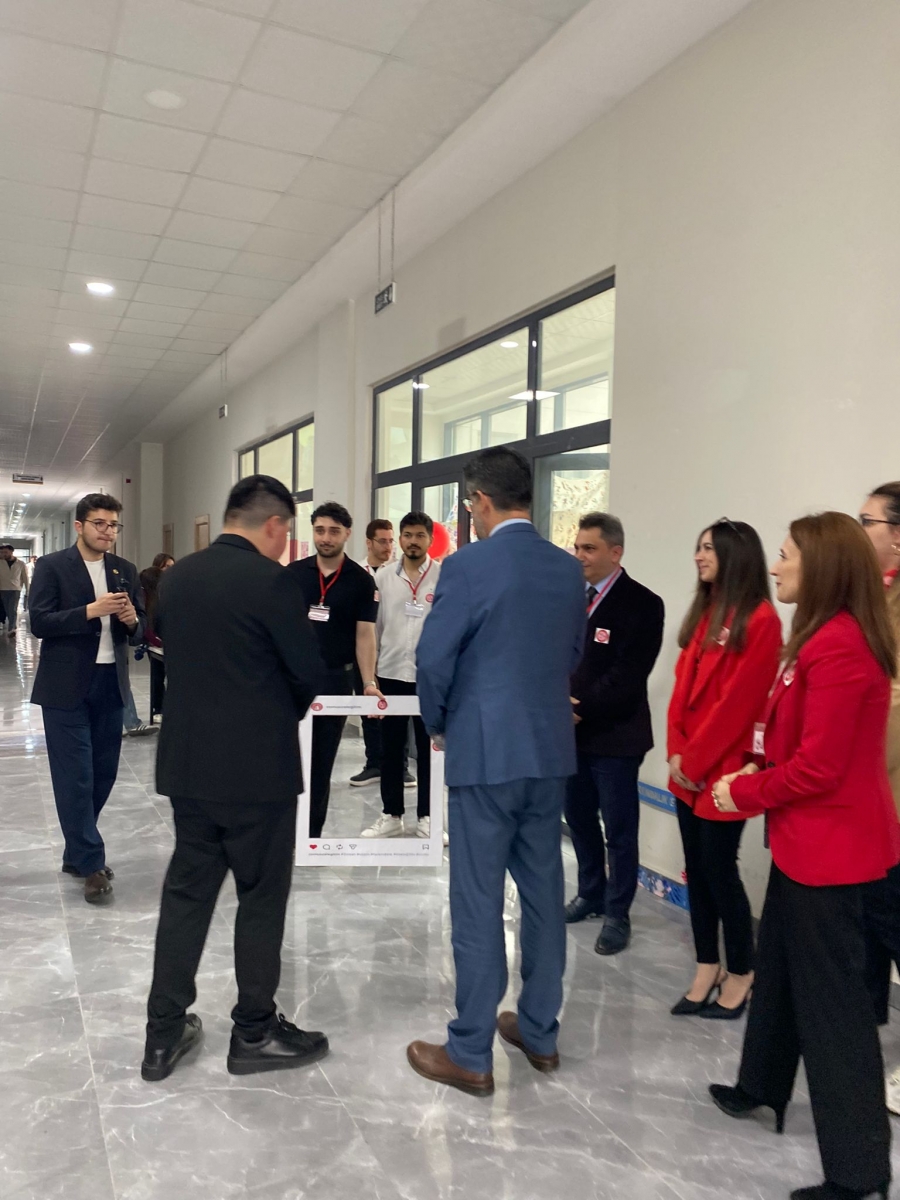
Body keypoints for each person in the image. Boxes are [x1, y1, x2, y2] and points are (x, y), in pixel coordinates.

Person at [708, 512, 899, 1200]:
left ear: (819, 568)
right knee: (782, 971)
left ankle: (859, 1172)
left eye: (785, 555)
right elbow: (789, 738)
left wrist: (743, 792)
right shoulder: (815, 637)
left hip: (833, 851)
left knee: (836, 1011)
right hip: (802, 844)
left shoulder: (841, 647)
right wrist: (755, 769)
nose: (776, 566)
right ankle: (761, 1085)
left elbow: (820, 768)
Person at [408, 446, 584, 1096]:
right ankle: (539, 1031)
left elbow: (433, 659)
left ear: (480, 501)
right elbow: (571, 653)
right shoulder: (567, 568)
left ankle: (470, 1051)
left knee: (478, 900)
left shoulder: (468, 565)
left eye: (469, 505)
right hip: (548, 752)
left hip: (484, 753)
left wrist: (438, 723)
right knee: (542, 895)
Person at [144, 476, 327, 1083]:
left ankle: (162, 1035)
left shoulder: (177, 578)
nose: (285, 544)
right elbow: (307, 673)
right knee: (261, 898)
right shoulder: (273, 582)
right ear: (273, 525)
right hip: (258, 775)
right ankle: (253, 1032)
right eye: (287, 532)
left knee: (186, 897)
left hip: (189, 767)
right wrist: (269, 715)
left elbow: (175, 653)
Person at [666, 518, 782, 1019]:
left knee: (719, 871)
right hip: (686, 770)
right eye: (699, 547)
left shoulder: (761, 620)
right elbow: (681, 691)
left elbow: (739, 704)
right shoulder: (707, 611)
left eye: (709, 548)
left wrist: (693, 761)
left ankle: (742, 970)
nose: (699, 556)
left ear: (736, 555)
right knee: (697, 870)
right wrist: (676, 753)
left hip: (724, 771)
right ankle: (706, 964)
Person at [29, 494, 145, 903]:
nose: (108, 531)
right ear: (79, 526)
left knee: (102, 773)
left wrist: (133, 621)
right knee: (74, 776)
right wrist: (89, 611)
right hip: (65, 687)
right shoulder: (52, 566)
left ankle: (77, 853)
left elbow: (140, 628)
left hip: (110, 685)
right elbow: (39, 622)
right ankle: (92, 863)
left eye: (113, 525)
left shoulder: (124, 570)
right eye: (100, 523)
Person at [565, 513, 665, 955]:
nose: (580, 556)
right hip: (569, 735)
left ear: (615, 552)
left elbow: (629, 674)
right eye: (577, 547)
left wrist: (579, 709)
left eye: (589, 548)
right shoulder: (570, 598)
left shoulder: (643, 603)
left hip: (616, 738)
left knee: (619, 830)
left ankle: (618, 913)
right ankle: (591, 892)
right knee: (579, 818)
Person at [287, 503, 382, 837]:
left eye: (333, 531)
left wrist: (368, 682)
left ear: (347, 534)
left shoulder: (361, 581)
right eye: (320, 530)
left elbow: (365, 635)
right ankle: (283, 832)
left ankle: (310, 836)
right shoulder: (293, 575)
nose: (325, 538)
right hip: (293, 679)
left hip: (335, 679)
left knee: (321, 761)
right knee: (287, 759)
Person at [858, 482, 900, 1113]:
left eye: (866, 520)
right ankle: (858, 1041)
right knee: (868, 921)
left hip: (889, 791)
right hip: (869, 793)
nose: (856, 528)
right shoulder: (877, 596)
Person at [361, 511, 440, 840]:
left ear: (430, 539)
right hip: (391, 673)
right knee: (390, 750)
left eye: (420, 535)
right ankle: (391, 814)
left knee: (428, 749)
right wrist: (372, 675)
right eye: (407, 535)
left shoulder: (442, 576)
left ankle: (427, 817)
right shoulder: (383, 577)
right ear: (401, 539)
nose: (412, 541)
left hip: (428, 678)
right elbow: (374, 629)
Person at [350, 518, 396, 788]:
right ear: (369, 542)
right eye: (382, 541)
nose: (388, 546)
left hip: (391, 653)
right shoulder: (357, 574)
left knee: (394, 712)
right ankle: (373, 764)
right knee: (369, 711)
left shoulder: (398, 574)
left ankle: (399, 767)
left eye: (391, 541)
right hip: (363, 653)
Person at [0, 543, 29, 636]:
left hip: (15, 589)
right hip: (2, 589)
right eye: (2, 552)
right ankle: (11, 626)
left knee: (12, 608)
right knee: (6, 609)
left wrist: (28, 590)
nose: (3, 554)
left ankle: (12, 628)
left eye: (6, 552)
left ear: (11, 552)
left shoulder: (20, 564)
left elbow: (25, 577)